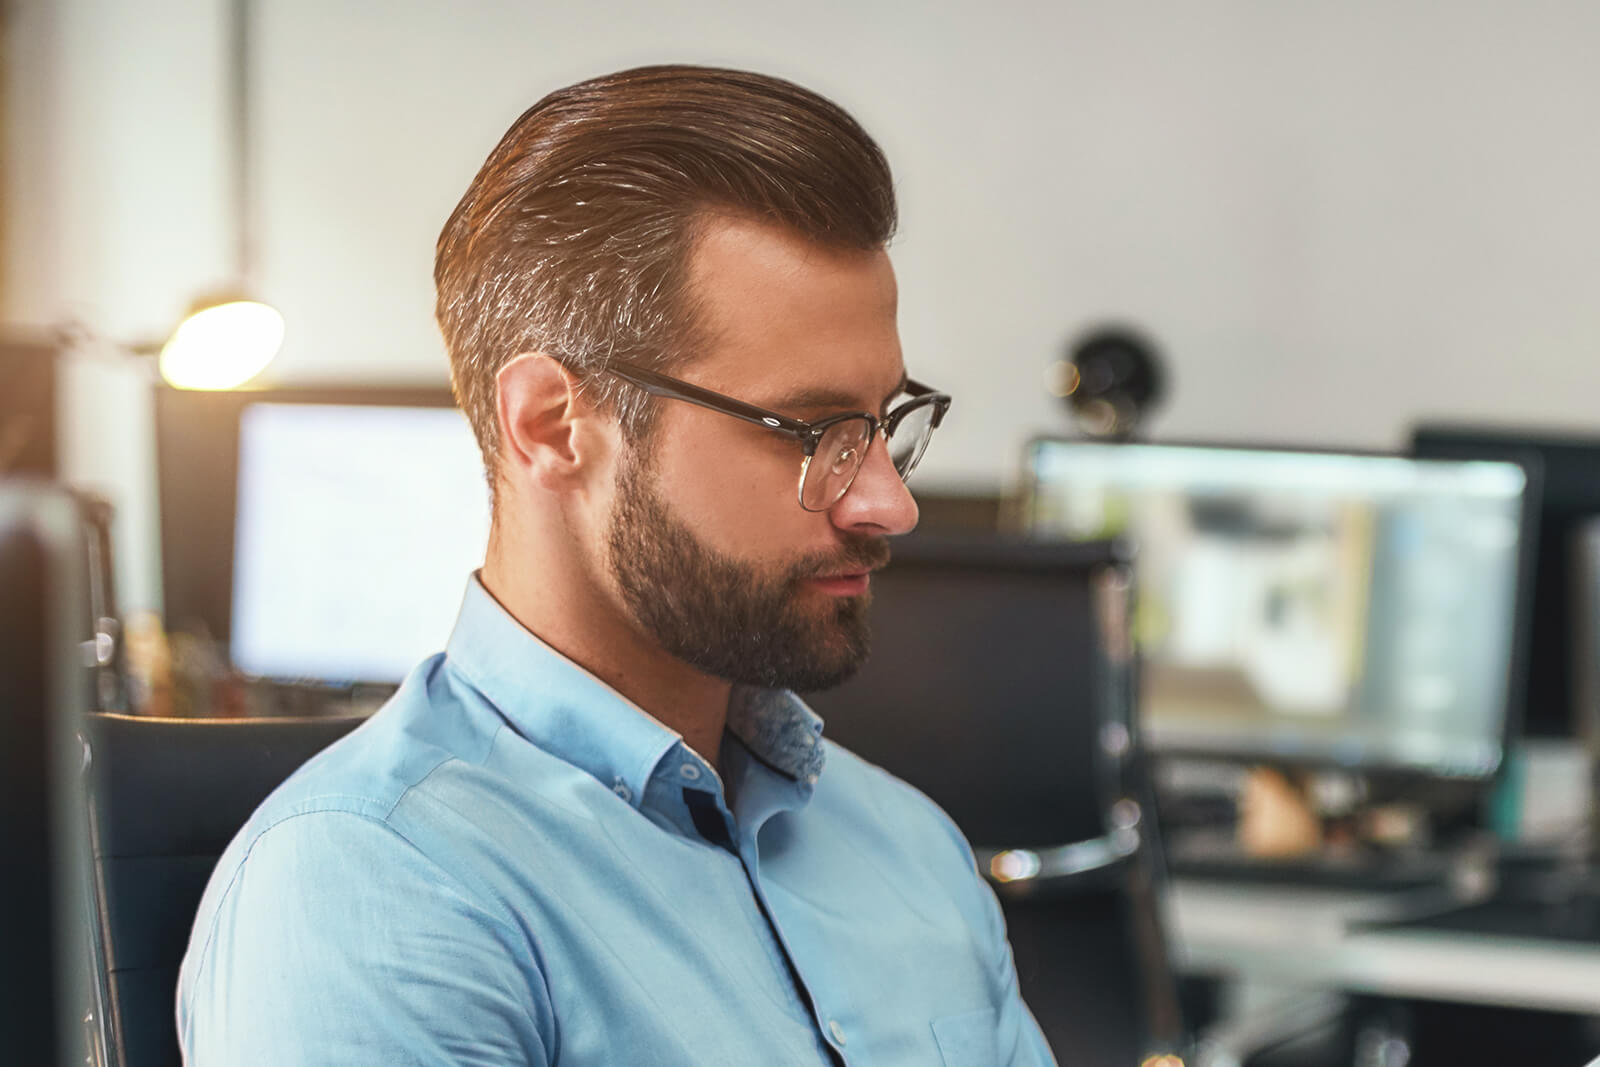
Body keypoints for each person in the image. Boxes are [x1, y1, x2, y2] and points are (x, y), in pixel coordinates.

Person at [177, 64, 1054, 1066]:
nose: (887, 502)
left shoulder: (910, 848)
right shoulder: (374, 889)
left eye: (882, 423)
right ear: (553, 425)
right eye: (808, 428)